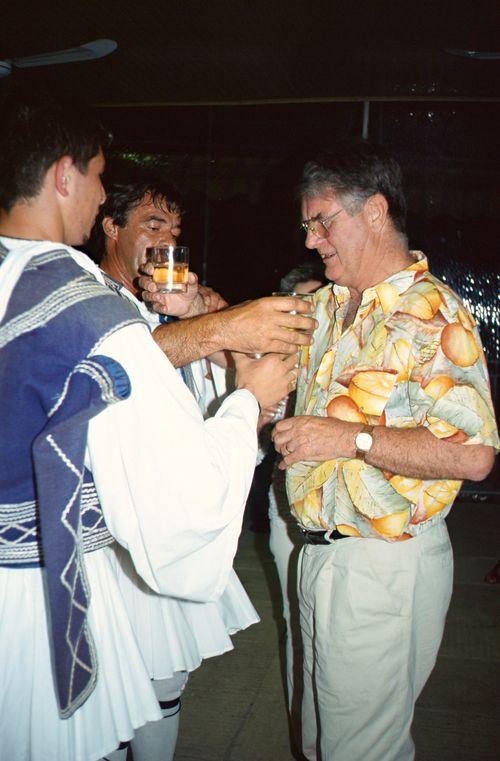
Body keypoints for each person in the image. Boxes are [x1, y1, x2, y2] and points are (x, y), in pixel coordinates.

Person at [0, 90, 312, 761]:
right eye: (98, 176)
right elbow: (184, 490)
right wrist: (249, 397)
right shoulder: (82, 302)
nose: (99, 194)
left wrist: (206, 322)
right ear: (64, 175)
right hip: (35, 583)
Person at [272, 140, 499, 761]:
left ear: (374, 211)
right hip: (318, 550)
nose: (311, 240)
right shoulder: (327, 304)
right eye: (307, 225)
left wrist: (349, 439)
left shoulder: (433, 314)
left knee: (360, 750)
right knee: (319, 741)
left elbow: (474, 455)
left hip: (382, 562)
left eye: (322, 222)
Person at [92, 176, 261, 761]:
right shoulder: (90, 300)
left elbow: (230, 363)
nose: (167, 243)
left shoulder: (171, 300)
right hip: (111, 525)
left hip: (174, 506)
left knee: (166, 680)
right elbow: (126, 365)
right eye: (153, 226)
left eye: (176, 231)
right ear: (110, 227)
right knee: (111, 692)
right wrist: (213, 327)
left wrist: (209, 312)